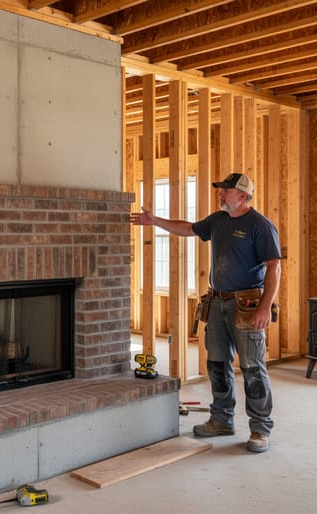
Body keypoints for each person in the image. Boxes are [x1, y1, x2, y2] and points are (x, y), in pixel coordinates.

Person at [130, 172, 281, 453]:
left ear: (243, 196)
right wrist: (155, 221)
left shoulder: (260, 226)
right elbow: (188, 228)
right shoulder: (218, 220)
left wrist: (264, 308)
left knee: (252, 368)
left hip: (247, 304)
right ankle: (222, 419)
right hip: (217, 302)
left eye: (226, 191)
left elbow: (274, 267)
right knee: (217, 364)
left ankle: (260, 428)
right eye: (221, 190)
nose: (220, 194)